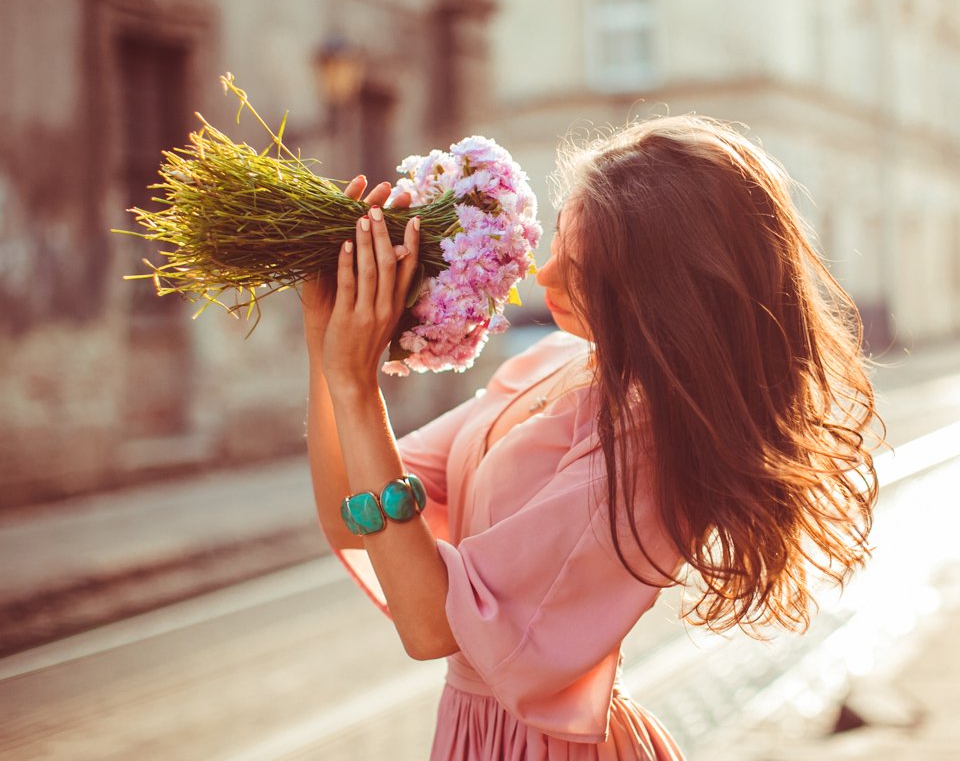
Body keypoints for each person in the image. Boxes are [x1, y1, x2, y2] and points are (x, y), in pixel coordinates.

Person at [299, 115, 882, 760]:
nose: (543, 278)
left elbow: (432, 624)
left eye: (582, 270)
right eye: (557, 243)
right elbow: (356, 511)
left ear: (657, 295)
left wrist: (354, 384)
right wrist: (325, 345)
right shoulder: (552, 361)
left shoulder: (647, 445)